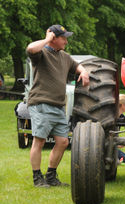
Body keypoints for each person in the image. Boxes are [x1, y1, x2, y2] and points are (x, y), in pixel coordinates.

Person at [26, 24, 89, 187]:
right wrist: (47, 39)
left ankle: (51, 176)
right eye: (63, 37)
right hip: (41, 103)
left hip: (59, 106)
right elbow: (30, 48)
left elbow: (76, 66)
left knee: (63, 142)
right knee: (39, 141)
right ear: (54, 38)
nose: (66, 41)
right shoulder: (41, 54)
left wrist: (83, 72)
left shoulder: (64, 57)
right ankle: (37, 177)